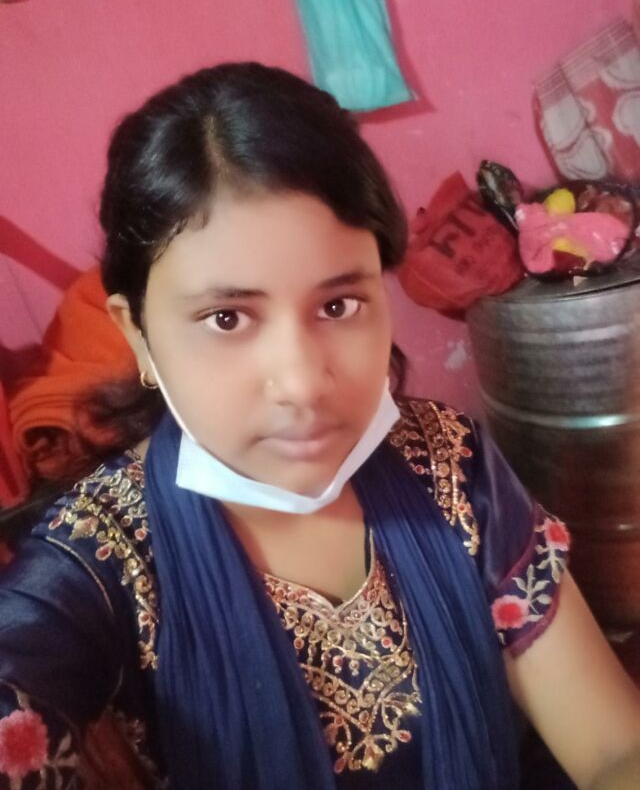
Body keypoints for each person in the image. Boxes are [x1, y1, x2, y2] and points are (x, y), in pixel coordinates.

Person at [0, 63, 639, 790]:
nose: (303, 383)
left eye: (338, 306)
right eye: (226, 318)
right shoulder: (98, 561)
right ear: (139, 335)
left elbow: (613, 750)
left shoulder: (452, 464)